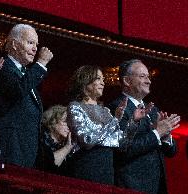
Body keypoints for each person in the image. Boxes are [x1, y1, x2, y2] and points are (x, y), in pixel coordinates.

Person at [108, 59, 180, 194]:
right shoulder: (118, 108)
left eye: (148, 77)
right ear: (127, 81)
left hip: (156, 186)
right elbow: (123, 150)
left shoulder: (152, 110)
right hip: (131, 185)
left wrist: (165, 135)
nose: (149, 81)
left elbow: (172, 152)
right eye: (142, 76)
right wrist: (157, 133)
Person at [0, 24, 53, 167]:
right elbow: (18, 91)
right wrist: (41, 63)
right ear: (14, 45)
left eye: (36, 44)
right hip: (9, 151)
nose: (35, 49)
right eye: (30, 43)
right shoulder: (3, 67)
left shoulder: (26, 74)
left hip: (25, 154)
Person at [67, 65, 145, 184]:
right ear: (85, 81)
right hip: (86, 166)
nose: (103, 83)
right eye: (98, 79)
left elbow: (122, 144)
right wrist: (115, 120)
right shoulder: (75, 107)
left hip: (107, 170)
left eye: (103, 79)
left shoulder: (106, 111)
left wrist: (133, 122)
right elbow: (87, 139)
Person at [37, 105, 78, 175]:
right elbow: (47, 165)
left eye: (71, 123)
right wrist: (67, 148)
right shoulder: (39, 140)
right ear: (53, 120)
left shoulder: (69, 149)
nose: (69, 126)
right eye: (65, 121)